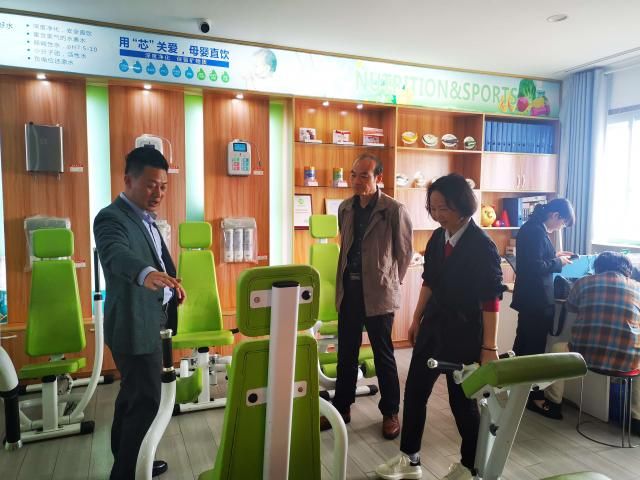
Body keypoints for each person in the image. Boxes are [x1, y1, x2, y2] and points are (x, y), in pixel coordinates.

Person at [376, 173, 504, 480]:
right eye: (432, 208)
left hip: (464, 335)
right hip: (433, 328)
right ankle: (410, 460)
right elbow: (429, 281)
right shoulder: (437, 238)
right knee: (415, 394)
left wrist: (489, 347)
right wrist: (416, 318)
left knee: (462, 404)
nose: (436, 214)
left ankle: (470, 466)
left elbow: (491, 300)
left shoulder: (482, 246)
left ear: (462, 205)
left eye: (443, 208)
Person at [94, 147, 186, 480]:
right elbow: (116, 254)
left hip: (153, 318)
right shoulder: (111, 217)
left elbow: (159, 262)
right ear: (128, 180)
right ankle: (127, 472)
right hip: (134, 323)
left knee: (132, 395)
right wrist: (146, 274)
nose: (158, 193)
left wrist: (171, 285)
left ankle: (127, 459)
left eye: (163, 186)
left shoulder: (147, 219)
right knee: (147, 400)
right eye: (150, 185)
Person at [319, 152, 413, 440]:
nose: (356, 181)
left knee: (383, 354)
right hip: (349, 290)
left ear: (378, 178)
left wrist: (389, 281)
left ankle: (390, 412)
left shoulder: (394, 210)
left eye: (364, 175)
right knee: (346, 352)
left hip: (379, 293)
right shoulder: (345, 208)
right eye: (353, 174)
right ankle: (342, 407)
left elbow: (404, 253)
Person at [527, 251, 640, 428]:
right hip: (627, 360)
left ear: (598, 267)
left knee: (557, 349)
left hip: (584, 356)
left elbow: (571, 309)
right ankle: (636, 417)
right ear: (628, 270)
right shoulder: (637, 287)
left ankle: (553, 403)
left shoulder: (584, 282)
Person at [511, 198, 576, 357]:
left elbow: (536, 258)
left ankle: (516, 371)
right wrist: (558, 262)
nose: (560, 228)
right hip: (536, 299)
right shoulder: (536, 232)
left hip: (530, 298)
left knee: (523, 344)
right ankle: (527, 373)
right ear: (555, 215)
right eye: (562, 223)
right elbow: (535, 266)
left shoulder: (533, 228)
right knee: (533, 347)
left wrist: (555, 256)